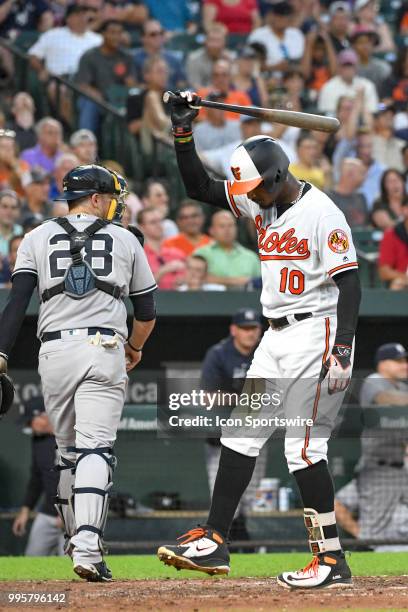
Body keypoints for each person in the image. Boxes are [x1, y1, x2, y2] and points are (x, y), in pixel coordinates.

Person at [157, 90, 361, 588]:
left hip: (317, 330)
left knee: (303, 449)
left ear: (276, 177)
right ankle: (215, 540)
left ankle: (331, 560)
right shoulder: (261, 197)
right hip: (274, 335)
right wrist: (184, 132)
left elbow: (351, 282)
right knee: (240, 436)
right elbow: (199, 188)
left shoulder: (322, 213)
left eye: (256, 191)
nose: (249, 200)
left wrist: (343, 346)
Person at [0, 164, 156, 581]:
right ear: (97, 198)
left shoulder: (34, 237)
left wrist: (0, 353)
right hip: (103, 346)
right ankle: (87, 548)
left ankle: (76, 539)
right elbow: (146, 312)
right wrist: (135, 348)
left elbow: (16, 305)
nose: (114, 206)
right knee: (96, 448)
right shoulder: (125, 238)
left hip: (53, 352)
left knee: (67, 452)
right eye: (111, 199)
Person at [201, 309, 266, 541]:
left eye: (254, 328)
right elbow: (209, 397)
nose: (250, 333)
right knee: (223, 495)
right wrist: (244, 396)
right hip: (220, 439)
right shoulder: (219, 354)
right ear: (234, 330)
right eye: (245, 328)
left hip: (254, 435)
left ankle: (237, 540)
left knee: (249, 497)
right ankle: (230, 541)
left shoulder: (265, 352)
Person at [336, 343, 408, 550]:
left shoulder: (403, 388)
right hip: (377, 468)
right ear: (382, 363)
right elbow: (386, 399)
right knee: (374, 531)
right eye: (398, 361)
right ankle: (368, 541)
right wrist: (361, 534)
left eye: (405, 360)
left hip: (400, 468)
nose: (404, 366)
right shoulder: (374, 381)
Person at [12, 397, 64, 557]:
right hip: (48, 512)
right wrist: (25, 510)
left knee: (77, 567)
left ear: (43, 416)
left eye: (30, 421)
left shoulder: (72, 436)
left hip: (75, 516)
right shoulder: (38, 441)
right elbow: (36, 478)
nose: (28, 426)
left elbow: (83, 478)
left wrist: (69, 512)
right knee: (31, 559)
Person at [75, 19, 137, 134]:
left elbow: (131, 84)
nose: (116, 37)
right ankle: (85, 140)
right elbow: (82, 85)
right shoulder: (90, 56)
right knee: (89, 103)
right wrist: (100, 98)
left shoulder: (126, 57)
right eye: (112, 32)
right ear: (103, 34)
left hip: (119, 100)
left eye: (119, 33)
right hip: (99, 99)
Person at [28, 5, 102, 81]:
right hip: (59, 80)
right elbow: (34, 56)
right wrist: (41, 70)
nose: (82, 19)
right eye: (78, 15)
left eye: (84, 15)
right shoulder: (53, 34)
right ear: (68, 18)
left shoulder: (98, 39)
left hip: (86, 81)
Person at [194, 210, 261, 290]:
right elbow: (198, 280)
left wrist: (216, 279)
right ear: (211, 230)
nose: (227, 229)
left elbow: (261, 284)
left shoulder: (251, 257)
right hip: (210, 300)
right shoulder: (202, 253)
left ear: (236, 229)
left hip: (245, 301)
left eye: (231, 225)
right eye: (222, 226)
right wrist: (242, 281)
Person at [126, 57, 172, 155]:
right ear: (147, 76)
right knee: (152, 96)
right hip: (148, 143)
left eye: (165, 72)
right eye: (159, 72)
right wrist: (150, 119)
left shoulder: (172, 97)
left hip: (171, 137)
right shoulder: (136, 98)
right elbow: (132, 128)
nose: (163, 75)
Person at [248, 0, 304, 73]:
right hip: (267, 77)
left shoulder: (296, 34)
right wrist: (275, 67)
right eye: (278, 15)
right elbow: (251, 65)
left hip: (295, 77)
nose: (281, 19)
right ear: (271, 15)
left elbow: (303, 60)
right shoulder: (258, 35)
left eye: (285, 16)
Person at [137, 207, 186, 290]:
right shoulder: (138, 255)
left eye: (160, 221)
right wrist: (163, 271)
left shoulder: (177, 253)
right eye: (153, 222)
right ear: (141, 227)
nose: (158, 225)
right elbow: (140, 289)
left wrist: (184, 280)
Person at [318, 49, 378, 115]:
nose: (348, 69)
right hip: (338, 124)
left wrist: (360, 102)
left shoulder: (367, 85)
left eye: (350, 65)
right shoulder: (328, 87)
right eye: (345, 65)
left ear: (356, 67)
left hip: (361, 124)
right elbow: (328, 115)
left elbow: (373, 112)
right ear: (339, 67)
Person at [133, 19, 186, 91]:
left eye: (161, 33)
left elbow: (182, 84)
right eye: (153, 34)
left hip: (171, 98)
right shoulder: (134, 59)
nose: (158, 36)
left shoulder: (174, 59)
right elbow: (132, 86)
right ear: (143, 38)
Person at [186, 23, 233, 90]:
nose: (214, 45)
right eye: (212, 40)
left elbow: (234, 85)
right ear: (205, 41)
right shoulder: (194, 59)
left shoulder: (230, 58)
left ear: (224, 42)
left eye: (218, 40)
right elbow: (194, 85)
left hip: (226, 97)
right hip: (203, 97)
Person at [326, 158, 369, 228]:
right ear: (350, 174)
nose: (365, 177)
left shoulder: (361, 198)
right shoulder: (328, 198)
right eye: (362, 173)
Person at [350, 25, 391, 93]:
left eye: (368, 42)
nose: (365, 46)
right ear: (354, 45)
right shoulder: (349, 66)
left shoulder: (382, 67)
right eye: (361, 42)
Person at [378, 199, 408, 290]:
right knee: (397, 284)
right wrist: (404, 277)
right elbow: (384, 272)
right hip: (404, 281)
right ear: (404, 209)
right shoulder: (392, 234)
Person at [300, 29, 338, 95]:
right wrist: (308, 44)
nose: (319, 53)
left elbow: (334, 72)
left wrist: (328, 41)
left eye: (322, 49)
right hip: (310, 97)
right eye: (315, 49)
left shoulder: (327, 62)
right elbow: (305, 74)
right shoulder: (305, 61)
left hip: (327, 95)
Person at [372, 104, 405, 172]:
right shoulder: (368, 143)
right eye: (384, 115)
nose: (389, 117)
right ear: (375, 121)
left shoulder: (402, 145)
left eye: (391, 115)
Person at [0, 128, 31, 196]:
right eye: (3, 147)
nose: (8, 151)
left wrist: (15, 166)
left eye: (11, 147)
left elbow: (28, 187)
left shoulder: (22, 165)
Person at [0, 190, 22, 257]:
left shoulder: (22, 233)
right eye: (4, 206)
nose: (9, 212)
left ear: (18, 212)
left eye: (13, 208)